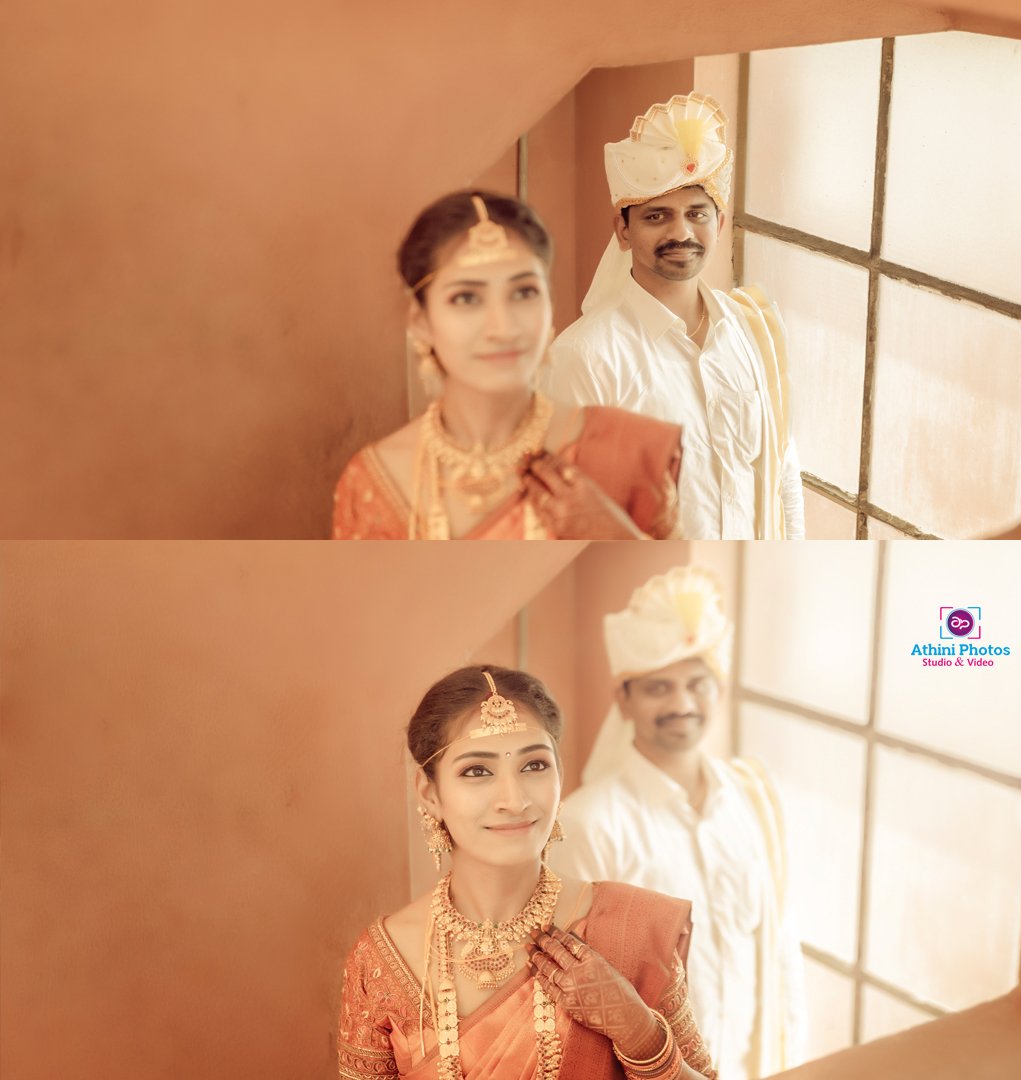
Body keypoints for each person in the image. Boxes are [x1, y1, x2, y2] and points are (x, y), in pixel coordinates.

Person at [337, 665, 718, 1079]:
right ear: (430, 793)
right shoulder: (382, 957)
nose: (514, 799)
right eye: (477, 771)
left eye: (534, 765)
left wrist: (638, 1031)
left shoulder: (632, 930)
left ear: (560, 774)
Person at [546, 567, 807, 1079]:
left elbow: (779, 947)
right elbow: (570, 999)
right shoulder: (589, 822)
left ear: (719, 691)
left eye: (696, 684)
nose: (682, 704)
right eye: (658, 688)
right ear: (623, 700)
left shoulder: (752, 797)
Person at [332, 191, 682, 540]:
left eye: (524, 292)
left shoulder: (628, 452)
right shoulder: (374, 481)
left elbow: (681, 593)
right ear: (420, 319)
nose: (502, 328)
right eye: (466, 298)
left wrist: (619, 541)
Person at [543, 92, 805, 540]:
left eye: (696, 214)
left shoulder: (748, 327)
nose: (681, 232)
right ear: (623, 231)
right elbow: (573, 523)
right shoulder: (586, 356)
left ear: (718, 225)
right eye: (657, 216)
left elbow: (782, 473)